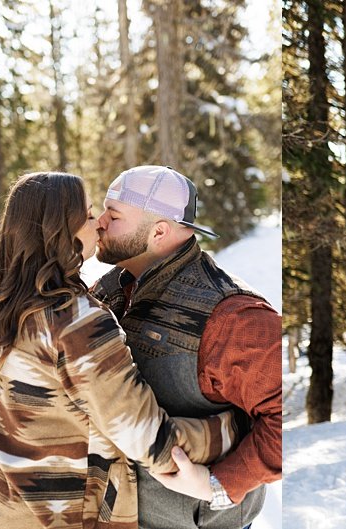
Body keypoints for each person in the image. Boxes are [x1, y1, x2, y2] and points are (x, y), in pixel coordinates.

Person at [0, 172, 239, 529]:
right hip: (44, 515)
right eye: (87, 216)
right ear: (59, 231)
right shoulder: (73, 321)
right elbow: (150, 441)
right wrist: (234, 426)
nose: (99, 225)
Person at [87, 166, 282, 529]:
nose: (99, 222)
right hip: (120, 513)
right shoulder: (110, 286)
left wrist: (220, 485)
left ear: (159, 231)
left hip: (194, 521)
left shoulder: (234, 316)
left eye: (113, 215)